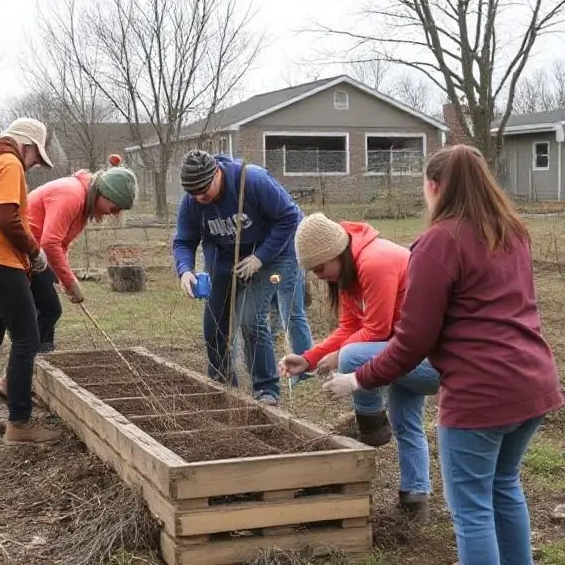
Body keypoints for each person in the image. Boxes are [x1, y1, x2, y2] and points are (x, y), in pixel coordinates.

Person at [317, 144, 564, 564]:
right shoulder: (511, 230)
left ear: (434, 187)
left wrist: (356, 379)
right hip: (533, 382)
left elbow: (413, 342)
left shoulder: (439, 242)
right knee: (504, 486)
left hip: (479, 396)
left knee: (471, 510)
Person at [279, 212, 440, 521]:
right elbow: (349, 326)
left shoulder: (374, 262)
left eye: (320, 268)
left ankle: (370, 425)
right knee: (406, 421)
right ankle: (415, 497)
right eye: (312, 271)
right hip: (404, 353)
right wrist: (310, 358)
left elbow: (376, 331)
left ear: (335, 254)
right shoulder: (348, 274)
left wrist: (341, 357)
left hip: (431, 359)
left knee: (353, 355)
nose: (317, 275)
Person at [173, 149, 312, 405]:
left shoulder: (252, 181)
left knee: (250, 319)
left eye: (204, 189)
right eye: (194, 193)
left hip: (274, 253)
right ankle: (223, 386)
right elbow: (184, 240)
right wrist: (185, 270)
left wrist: (261, 257)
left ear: (217, 173)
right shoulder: (192, 202)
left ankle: (266, 389)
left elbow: (290, 217)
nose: (200, 197)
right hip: (227, 257)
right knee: (214, 325)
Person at [0, 164, 138, 399]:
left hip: (35, 256)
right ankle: (12, 378)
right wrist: (71, 282)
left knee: (47, 313)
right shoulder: (72, 195)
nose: (114, 212)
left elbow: (61, 244)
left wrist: (62, 278)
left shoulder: (83, 202)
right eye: (115, 206)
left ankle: (38, 373)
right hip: (19, 254)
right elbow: (50, 242)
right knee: (49, 311)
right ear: (105, 193)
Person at [0, 118, 61, 445]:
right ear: (27, 144)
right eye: (35, 157)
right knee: (26, 338)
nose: (33, 165)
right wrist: (34, 252)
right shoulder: (8, 163)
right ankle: (19, 424)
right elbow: (7, 218)